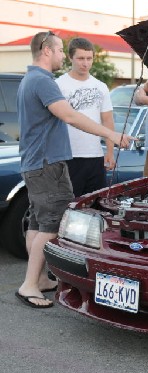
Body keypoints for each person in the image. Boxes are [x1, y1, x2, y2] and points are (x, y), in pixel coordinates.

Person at [16, 31, 134, 308]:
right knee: (52, 223)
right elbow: (69, 115)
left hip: (36, 162)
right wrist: (112, 136)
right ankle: (29, 285)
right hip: (47, 164)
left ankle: (40, 279)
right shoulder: (44, 81)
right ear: (46, 50)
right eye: (59, 50)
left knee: (37, 222)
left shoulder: (29, 78)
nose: (61, 56)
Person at [56, 37, 115, 197]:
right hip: (69, 156)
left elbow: (107, 120)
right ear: (70, 58)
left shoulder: (101, 87)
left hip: (95, 156)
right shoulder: (59, 85)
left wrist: (110, 151)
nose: (85, 63)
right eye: (81, 58)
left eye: (89, 58)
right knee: (69, 205)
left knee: (96, 205)